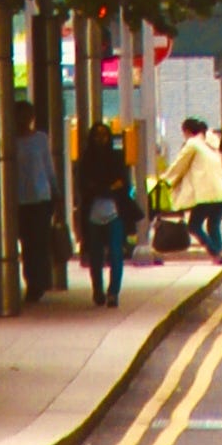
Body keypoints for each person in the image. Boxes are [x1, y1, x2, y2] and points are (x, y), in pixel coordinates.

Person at [75, 123, 137, 307]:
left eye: (104, 135)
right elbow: (84, 185)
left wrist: (101, 188)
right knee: (95, 256)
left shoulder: (116, 157)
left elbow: (123, 183)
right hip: (93, 213)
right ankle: (97, 290)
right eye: (97, 135)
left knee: (116, 253)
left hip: (114, 211)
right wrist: (107, 187)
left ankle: (113, 292)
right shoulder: (86, 160)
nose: (100, 139)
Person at [163, 116, 222, 258]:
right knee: (213, 226)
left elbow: (178, 166)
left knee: (194, 226)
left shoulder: (192, 144)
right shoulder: (212, 146)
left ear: (187, 131)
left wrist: (164, 181)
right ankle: (219, 253)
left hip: (206, 194)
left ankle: (215, 252)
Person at [10, 97, 56, 303]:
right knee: (26, 244)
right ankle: (31, 280)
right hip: (18, 199)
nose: (24, 119)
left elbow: (48, 166)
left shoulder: (41, 139)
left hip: (40, 198)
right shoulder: (9, 140)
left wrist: (55, 191)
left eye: (27, 115)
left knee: (39, 242)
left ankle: (39, 282)